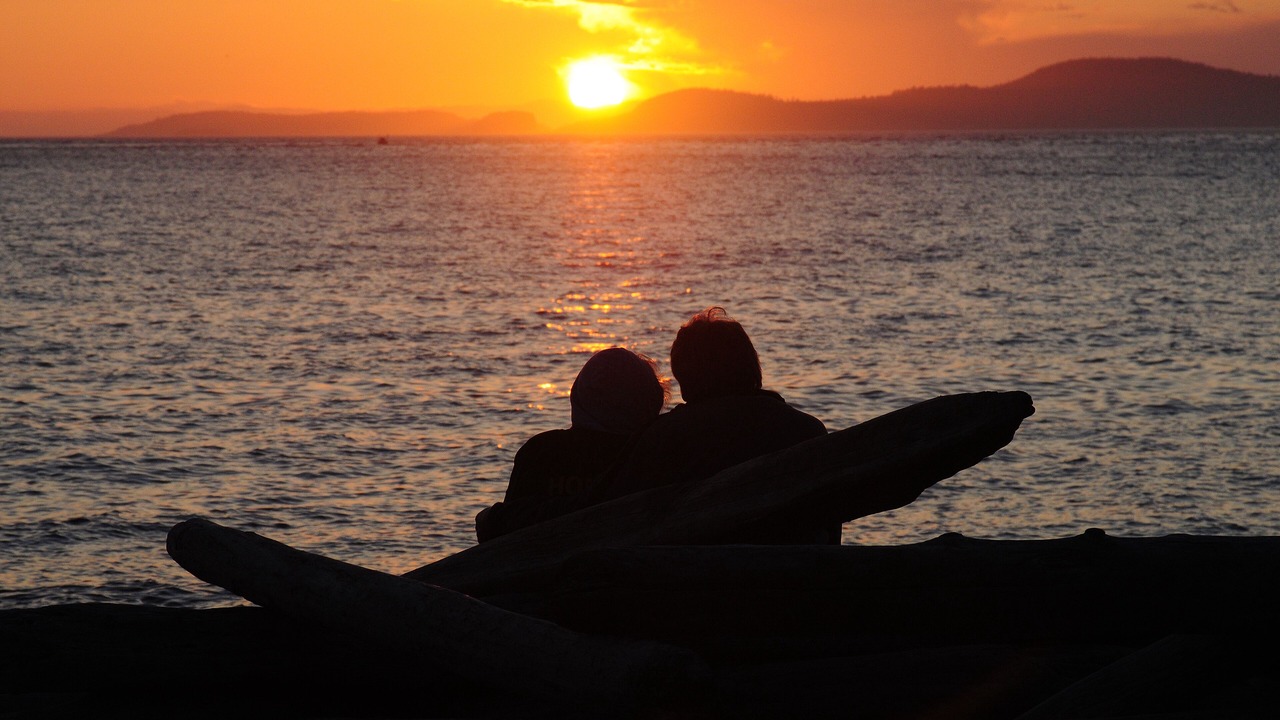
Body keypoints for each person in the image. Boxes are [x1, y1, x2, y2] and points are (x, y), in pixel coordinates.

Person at [587, 306, 839, 544]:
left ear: (684, 380)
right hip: (796, 581)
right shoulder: (808, 432)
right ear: (752, 367)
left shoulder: (661, 440)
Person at [475, 347, 666, 542]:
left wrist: (488, 519)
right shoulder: (656, 455)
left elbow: (505, 531)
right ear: (648, 399)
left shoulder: (541, 451)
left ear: (580, 393)